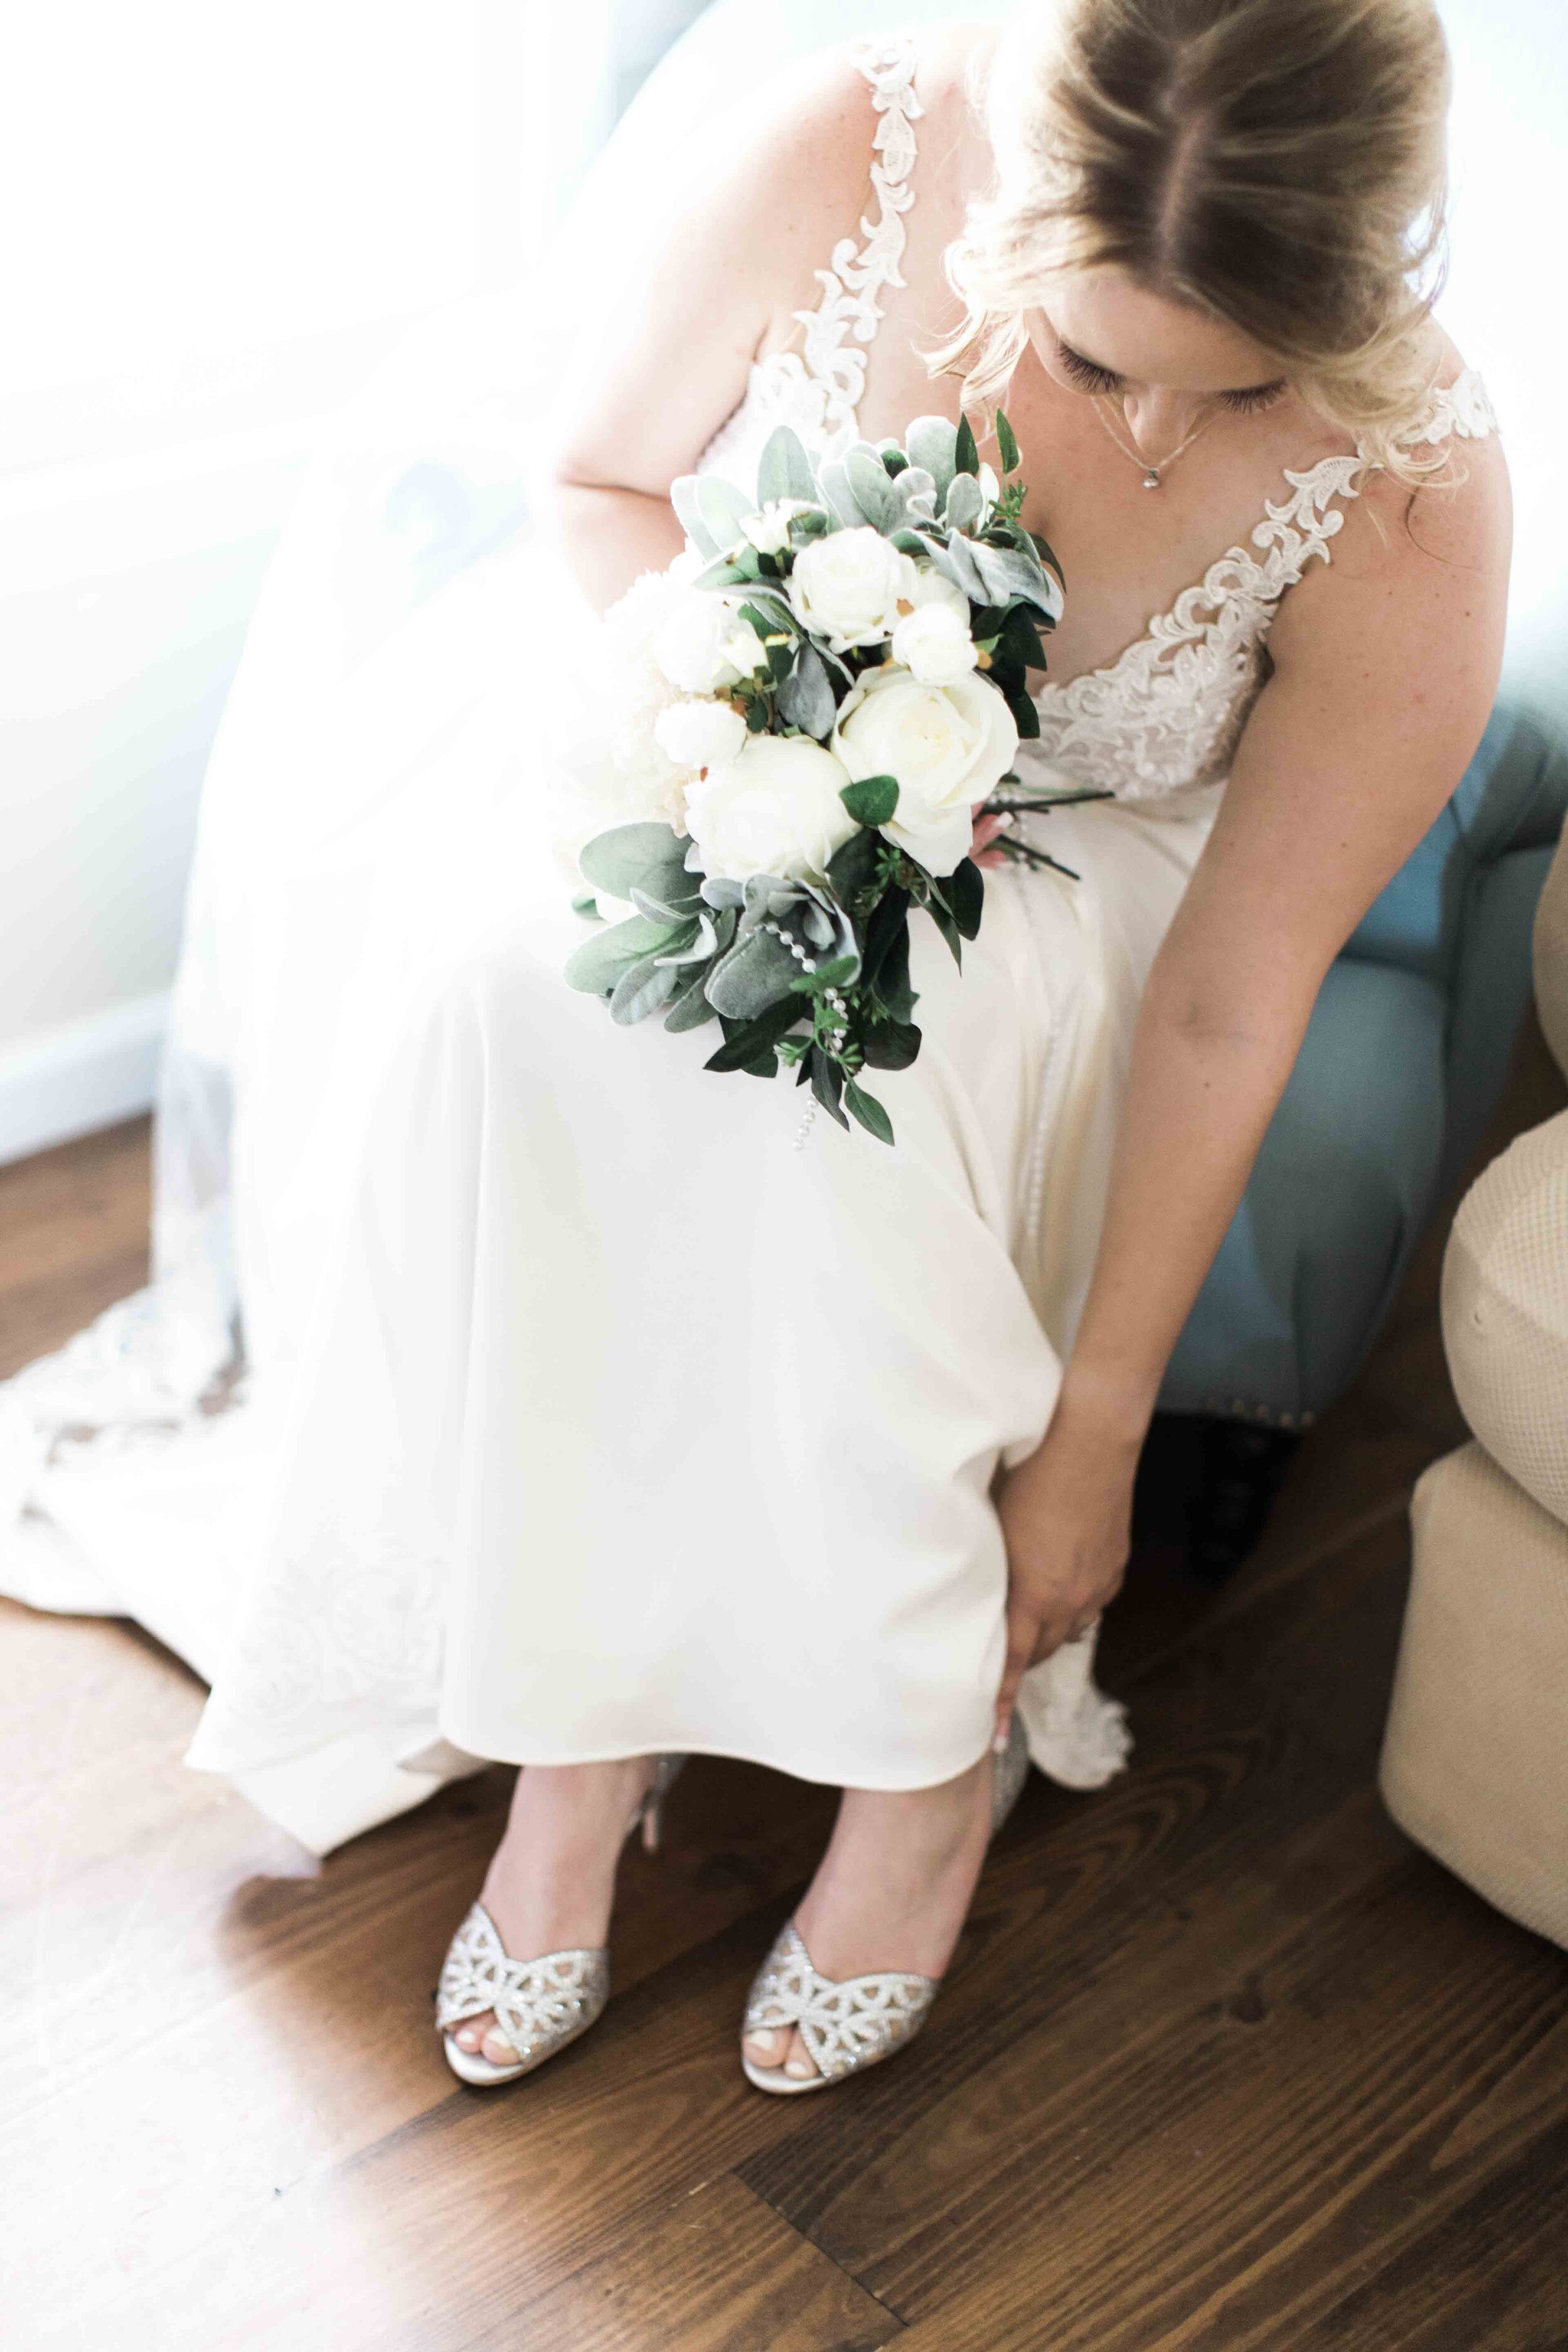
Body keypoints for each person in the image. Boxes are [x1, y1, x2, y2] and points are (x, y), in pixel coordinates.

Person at [9, 0, 1509, 2095]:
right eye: (1087, 358)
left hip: (1102, 885)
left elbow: (1233, 991)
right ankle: (570, 1734)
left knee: (857, 1081)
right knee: (547, 992)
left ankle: (914, 1757)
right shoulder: (848, 144)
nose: (1152, 425)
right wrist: (758, 723)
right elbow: (599, 477)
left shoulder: (1414, 488)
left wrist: (1093, 1434)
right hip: (734, 731)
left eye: (1232, 382)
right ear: (1019, 205)